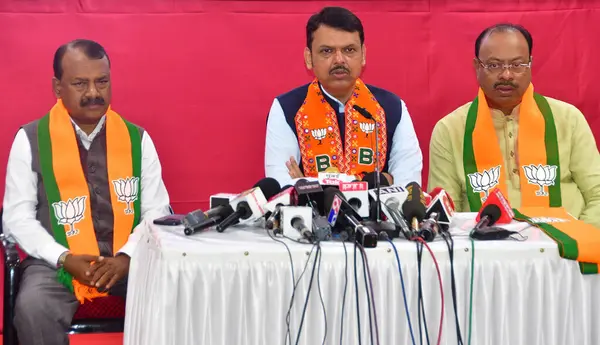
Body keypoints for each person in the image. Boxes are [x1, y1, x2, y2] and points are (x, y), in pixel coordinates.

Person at [1, 39, 171, 345]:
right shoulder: (30, 139)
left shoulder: (137, 140)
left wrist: (127, 257)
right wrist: (64, 257)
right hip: (55, 262)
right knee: (33, 308)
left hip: (127, 259)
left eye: (101, 82)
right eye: (80, 83)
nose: (93, 93)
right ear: (57, 87)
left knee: (175, 296)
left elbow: (157, 211)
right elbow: (17, 216)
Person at [428, 23, 600, 226]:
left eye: (517, 65)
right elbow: (445, 212)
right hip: (486, 251)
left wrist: (577, 240)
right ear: (477, 67)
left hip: (566, 248)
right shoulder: (450, 129)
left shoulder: (568, 119)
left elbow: (597, 193)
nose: (506, 75)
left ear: (530, 64)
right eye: (494, 65)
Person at [264, 6, 422, 188]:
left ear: (363, 55)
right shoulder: (286, 109)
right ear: (309, 58)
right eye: (327, 51)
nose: (339, 60)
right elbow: (282, 189)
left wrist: (306, 183)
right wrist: (383, 181)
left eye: (349, 50)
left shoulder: (392, 108)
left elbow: (408, 188)